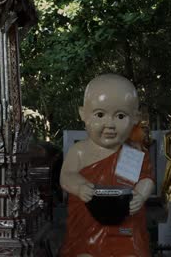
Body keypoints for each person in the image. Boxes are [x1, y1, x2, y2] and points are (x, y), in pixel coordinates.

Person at [60, 74, 154, 257]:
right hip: (89, 225)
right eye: (100, 115)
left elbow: (146, 178)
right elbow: (67, 175)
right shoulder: (79, 151)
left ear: (135, 118)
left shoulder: (134, 153)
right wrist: (79, 187)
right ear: (83, 114)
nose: (110, 124)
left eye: (120, 116)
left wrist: (140, 195)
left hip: (126, 224)